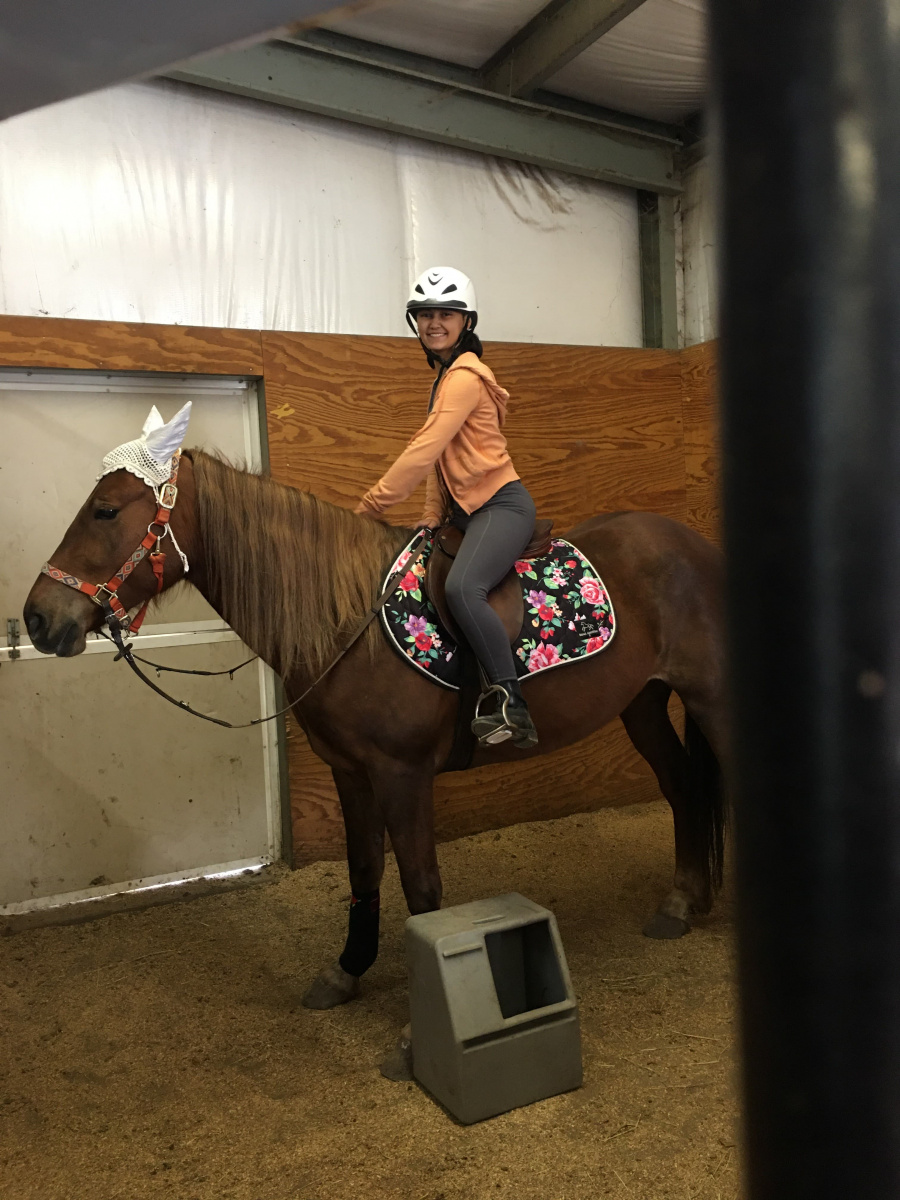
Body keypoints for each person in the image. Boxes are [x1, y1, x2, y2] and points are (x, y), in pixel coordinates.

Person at [355, 266, 538, 749]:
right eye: (424, 315)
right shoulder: (444, 380)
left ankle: (509, 699)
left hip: (502, 506)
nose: (434, 323)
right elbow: (441, 460)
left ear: (466, 322)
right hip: (464, 515)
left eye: (446, 315)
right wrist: (432, 515)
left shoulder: (464, 378)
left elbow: (423, 448)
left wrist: (373, 505)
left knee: (462, 587)